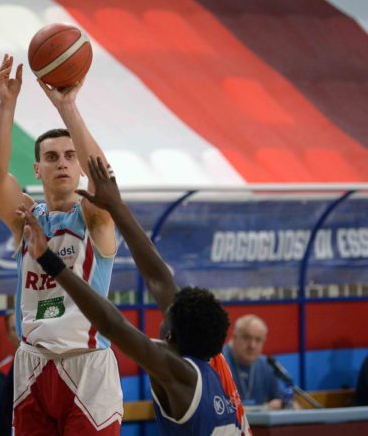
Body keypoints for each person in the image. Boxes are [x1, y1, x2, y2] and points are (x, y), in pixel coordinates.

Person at [19, 156, 250, 435]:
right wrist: (115, 206)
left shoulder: (183, 375)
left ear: (170, 336)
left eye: (167, 317)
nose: (164, 312)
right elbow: (159, 278)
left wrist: (48, 259)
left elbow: (112, 325)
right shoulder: (214, 362)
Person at [0, 54, 121, 434]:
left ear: (79, 167)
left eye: (70, 156)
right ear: (38, 169)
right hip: (33, 363)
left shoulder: (93, 218)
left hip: (87, 363)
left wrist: (67, 107)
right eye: (51, 157)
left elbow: (103, 183)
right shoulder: (27, 219)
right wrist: (7, 105)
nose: (61, 163)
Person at [223, 315, 284, 409]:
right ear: (234, 337)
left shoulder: (267, 365)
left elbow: (282, 399)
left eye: (258, 340)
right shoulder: (218, 362)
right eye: (246, 338)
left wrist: (281, 404)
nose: (252, 345)